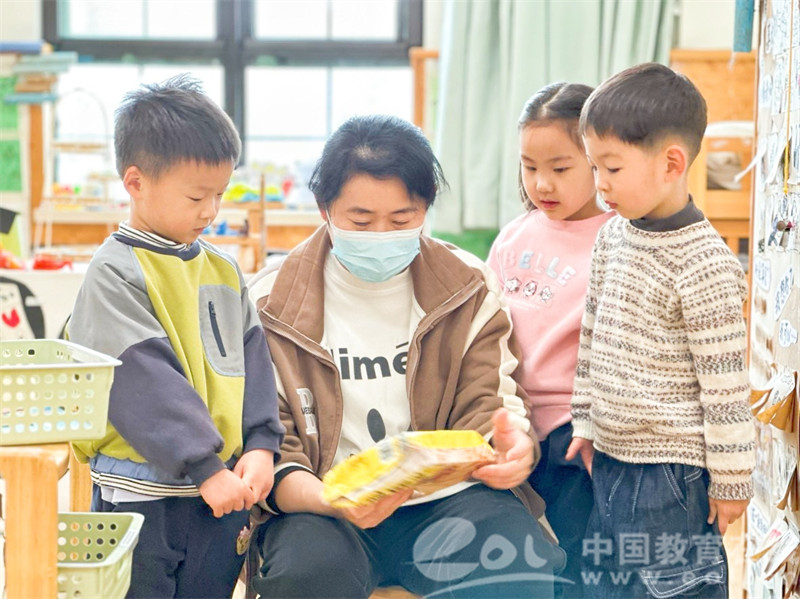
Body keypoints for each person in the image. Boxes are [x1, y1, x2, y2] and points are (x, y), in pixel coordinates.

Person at [248, 114, 566, 599]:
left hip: (448, 499)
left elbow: (492, 405)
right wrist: (332, 500)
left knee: (519, 568)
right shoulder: (271, 302)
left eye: (402, 220)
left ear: (426, 208)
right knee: (305, 576)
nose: (381, 234)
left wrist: (511, 450)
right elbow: (270, 444)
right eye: (360, 221)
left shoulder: (467, 286)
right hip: (323, 502)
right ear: (323, 208)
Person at [67, 74, 285, 599]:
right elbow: (139, 381)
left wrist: (262, 444)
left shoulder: (223, 269)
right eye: (196, 196)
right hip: (143, 497)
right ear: (136, 182)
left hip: (220, 496)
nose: (210, 211)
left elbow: (255, 364)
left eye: (220, 194)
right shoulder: (114, 272)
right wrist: (204, 466)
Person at [566, 63, 756, 598]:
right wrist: (586, 419)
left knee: (669, 589)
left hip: (670, 475)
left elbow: (725, 388)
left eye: (612, 167)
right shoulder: (611, 238)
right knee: (608, 587)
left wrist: (733, 480)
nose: (599, 183)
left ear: (672, 163)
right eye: (594, 166)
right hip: (611, 460)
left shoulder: (706, 263)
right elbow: (591, 336)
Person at [486, 81, 614, 598]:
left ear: (597, 160)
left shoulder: (617, 239)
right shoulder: (514, 235)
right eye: (529, 166)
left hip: (574, 439)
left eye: (560, 168)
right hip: (507, 426)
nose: (542, 183)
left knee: (574, 572)